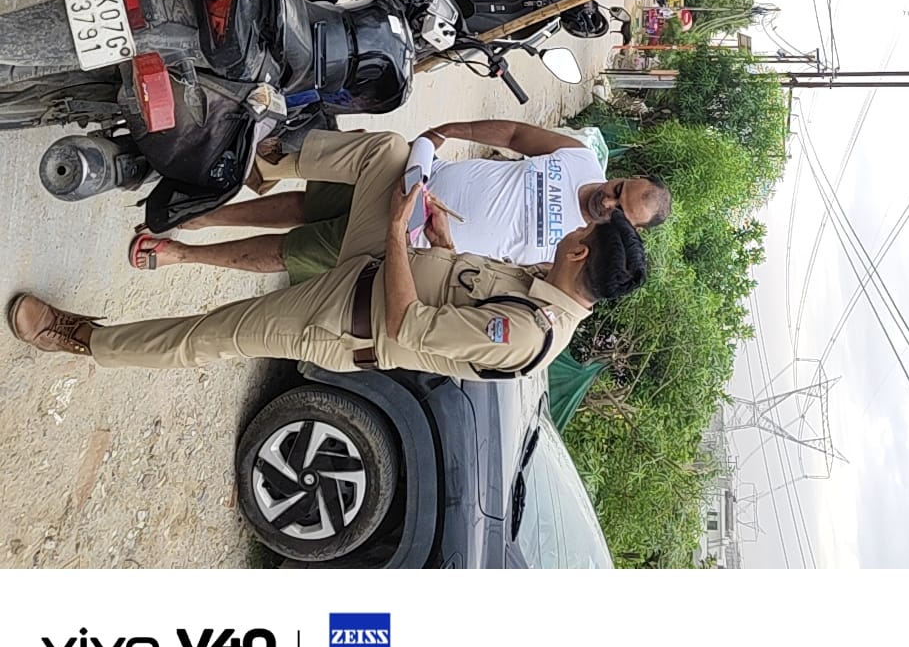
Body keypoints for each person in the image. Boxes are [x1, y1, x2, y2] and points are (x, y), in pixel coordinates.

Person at [7, 130, 648, 380]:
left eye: (587, 230)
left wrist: (396, 230)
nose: (580, 223)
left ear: (581, 250)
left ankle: (79, 338)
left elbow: (407, 324)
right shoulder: (545, 282)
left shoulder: (528, 334)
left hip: (344, 321)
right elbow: (457, 280)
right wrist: (440, 240)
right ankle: (258, 155)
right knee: (390, 154)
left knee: (209, 336)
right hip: (380, 263)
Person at [127, 118, 671, 281]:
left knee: (290, 252)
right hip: (410, 177)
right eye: (618, 191)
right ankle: (205, 214)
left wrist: (443, 247)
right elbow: (513, 135)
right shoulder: (580, 158)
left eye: (620, 212)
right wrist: (446, 133)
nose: (608, 202)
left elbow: (503, 280)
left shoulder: (578, 251)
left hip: (406, 241)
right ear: (623, 178)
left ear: (629, 228)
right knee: (302, 206)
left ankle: (183, 254)